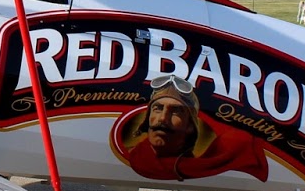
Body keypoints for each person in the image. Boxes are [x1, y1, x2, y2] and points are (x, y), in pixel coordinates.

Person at [112, 74, 268, 182]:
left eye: (176, 111)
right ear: (147, 119)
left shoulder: (199, 165)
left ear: (190, 127)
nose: (162, 119)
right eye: (158, 108)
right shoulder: (135, 153)